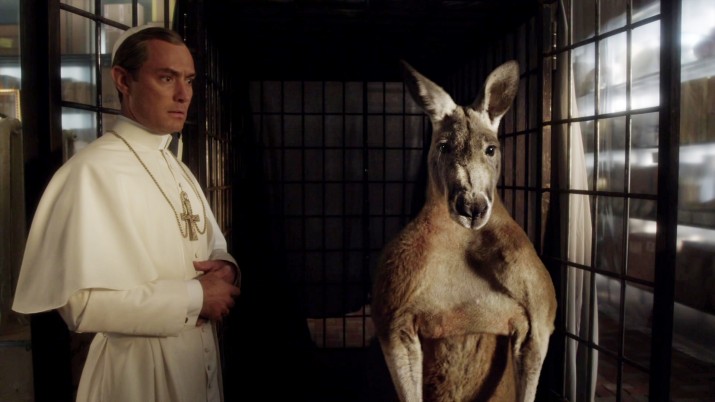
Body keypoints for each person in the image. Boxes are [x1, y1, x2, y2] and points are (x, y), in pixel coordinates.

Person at [12, 25, 241, 402]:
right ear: (123, 80)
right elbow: (80, 305)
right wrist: (195, 297)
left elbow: (212, 245)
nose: (183, 94)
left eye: (188, 80)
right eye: (166, 78)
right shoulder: (90, 172)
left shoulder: (176, 166)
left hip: (198, 360)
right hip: (134, 373)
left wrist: (226, 268)